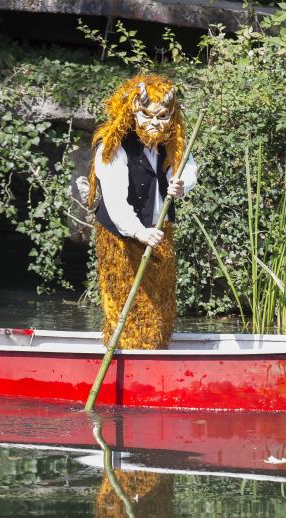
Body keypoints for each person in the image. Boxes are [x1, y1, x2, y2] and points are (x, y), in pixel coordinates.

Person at [88, 75, 197, 349]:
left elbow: (187, 167)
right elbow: (114, 201)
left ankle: (157, 351)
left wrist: (182, 185)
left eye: (162, 118)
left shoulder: (171, 142)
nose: (154, 124)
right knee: (131, 306)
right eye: (147, 116)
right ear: (133, 112)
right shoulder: (113, 147)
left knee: (160, 304)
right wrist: (137, 231)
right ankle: (131, 353)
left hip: (160, 233)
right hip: (122, 238)